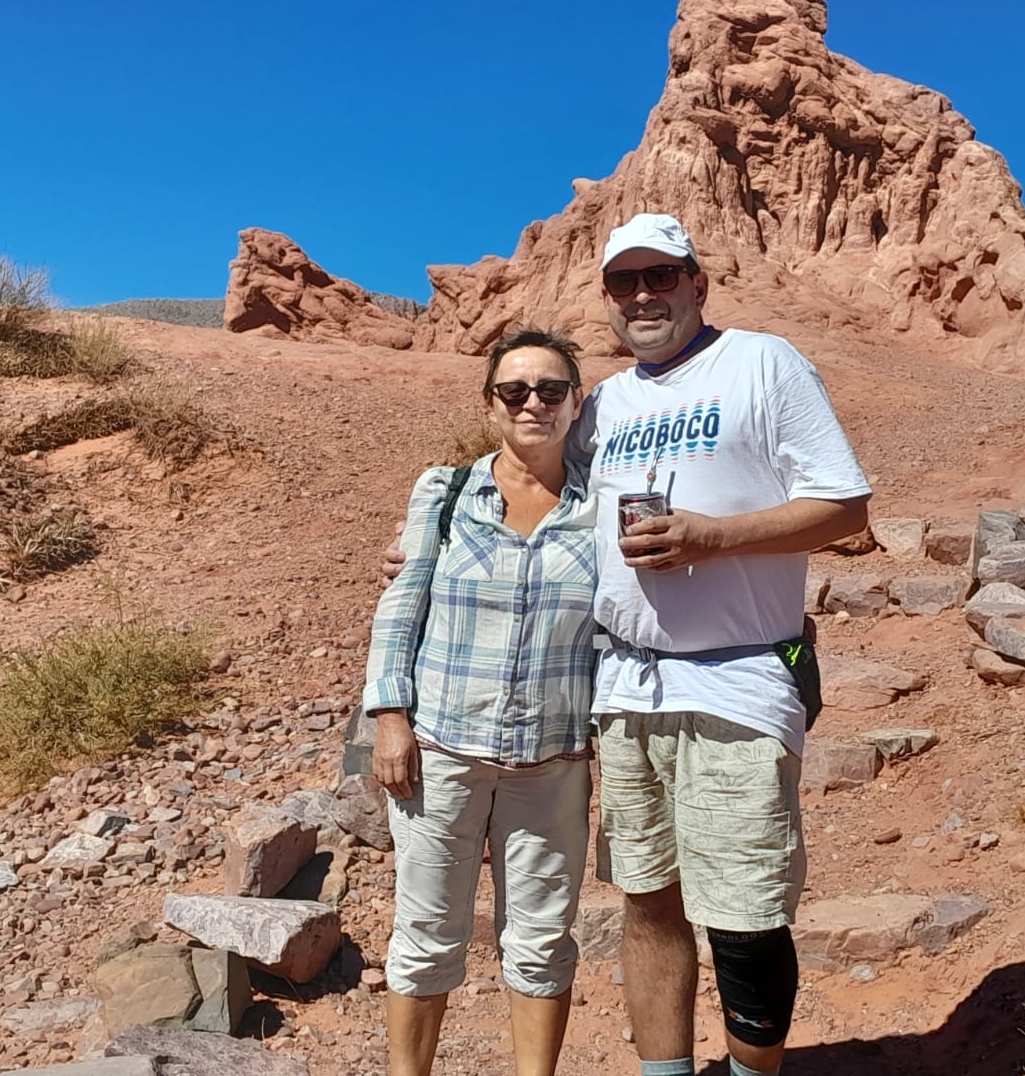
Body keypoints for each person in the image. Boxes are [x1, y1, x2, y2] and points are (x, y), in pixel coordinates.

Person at [383, 214, 871, 1076]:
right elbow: (531, 476)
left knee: (746, 918)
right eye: (624, 281)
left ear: (698, 283)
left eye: (661, 276)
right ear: (606, 297)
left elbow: (846, 507)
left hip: (737, 680)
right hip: (623, 693)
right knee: (647, 903)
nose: (643, 295)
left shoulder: (763, 363)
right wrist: (423, 541)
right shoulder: (606, 405)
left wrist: (712, 537)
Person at [363, 328, 598, 1076]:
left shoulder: (603, 503)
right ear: (490, 403)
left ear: (575, 403)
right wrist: (390, 717)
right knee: (426, 934)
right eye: (515, 391)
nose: (533, 404)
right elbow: (401, 606)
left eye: (551, 390)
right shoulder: (445, 493)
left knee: (542, 941)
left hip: (553, 762)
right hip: (442, 753)